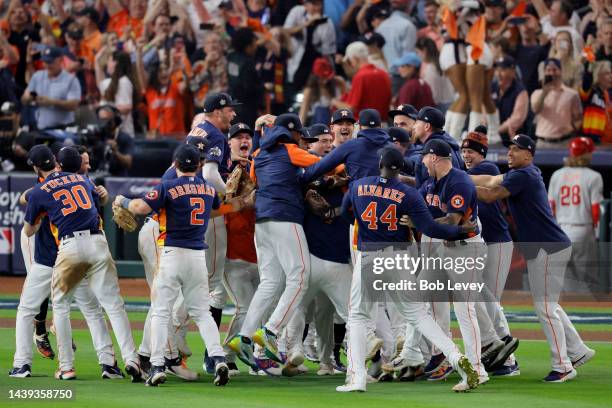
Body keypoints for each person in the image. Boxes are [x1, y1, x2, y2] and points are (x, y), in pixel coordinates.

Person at [336, 146, 479, 393]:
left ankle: (357, 378)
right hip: (399, 257)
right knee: (418, 316)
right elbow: (431, 229)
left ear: (379, 163)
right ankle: (455, 357)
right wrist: (460, 230)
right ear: (400, 169)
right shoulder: (409, 193)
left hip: (369, 256)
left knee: (359, 317)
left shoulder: (358, 185)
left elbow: (346, 215)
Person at [114, 144, 243, 387]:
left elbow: (141, 207)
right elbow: (216, 210)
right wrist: (242, 201)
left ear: (175, 164)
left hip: (172, 254)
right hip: (196, 258)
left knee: (162, 311)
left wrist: (123, 200)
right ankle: (218, 358)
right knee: (202, 313)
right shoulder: (206, 188)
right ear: (199, 165)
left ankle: (158, 366)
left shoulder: (168, 186)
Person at [471, 134, 595, 382]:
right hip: (548, 246)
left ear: (529, 154)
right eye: (509, 148)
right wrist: (457, 176)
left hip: (547, 248)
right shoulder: (523, 173)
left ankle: (563, 366)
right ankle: (578, 350)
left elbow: (489, 194)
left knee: (545, 308)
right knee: (551, 306)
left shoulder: (524, 174)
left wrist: (453, 182)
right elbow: (490, 179)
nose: (510, 153)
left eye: (516, 149)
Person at [22, 145, 143, 381]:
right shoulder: (85, 182)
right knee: (114, 306)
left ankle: (66, 367)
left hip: (70, 248)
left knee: (60, 306)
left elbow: (28, 230)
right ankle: (130, 359)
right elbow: (98, 199)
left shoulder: (40, 189)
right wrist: (105, 196)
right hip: (98, 243)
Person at [227, 113, 329, 368]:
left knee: (271, 282)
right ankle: (271, 332)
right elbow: (321, 163)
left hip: (262, 222)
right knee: (300, 276)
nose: (302, 138)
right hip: (285, 218)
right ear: (292, 133)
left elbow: (255, 178)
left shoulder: (259, 154)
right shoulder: (290, 149)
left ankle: (245, 336)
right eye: (300, 134)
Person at [461, 129, 520, 376]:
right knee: (483, 298)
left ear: (481, 154)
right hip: (484, 244)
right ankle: (499, 353)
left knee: (491, 300)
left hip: (498, 243)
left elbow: (458, 179)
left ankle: (508, 360)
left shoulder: (489, 169)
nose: (466, 155)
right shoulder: (466, 172)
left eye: (471, 151)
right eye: (463, 151)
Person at [548, 137, 603, 291]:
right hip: (583, 230)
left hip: (560, 231)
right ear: (586, 154)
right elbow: (596, 210)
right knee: (586, 282)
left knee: (563, 282)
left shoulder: (557, 175)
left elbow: (550, 208)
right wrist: (598, 234)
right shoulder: (594, 176)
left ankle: (565, 313)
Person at [21, 46, 81, 131]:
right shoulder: (37, 76)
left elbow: (74, 105)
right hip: (41, 128)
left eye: (50, 62)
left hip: (63, 129)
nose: (47, 65)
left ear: (60, 60)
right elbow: (24, 99)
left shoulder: (71, 79)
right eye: (45, 62)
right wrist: (29, 98)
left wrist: (52, 102)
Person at [284, 0, 337, 94]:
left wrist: (327, 75)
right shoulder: (297, 12)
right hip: (296, 63)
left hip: (314, 66)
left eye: (319, 4)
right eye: (313, 4)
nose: (317, 8)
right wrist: (307, 23)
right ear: (306, 5)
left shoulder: (327, 22)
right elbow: (285, 32)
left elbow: (328, 53)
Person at [332, 42, 391, 120]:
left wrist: (334, 102)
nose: (351, 65)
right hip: (382, 125)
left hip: (364, 127)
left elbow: (351, 108)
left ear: (355, 59)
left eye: (349, 61)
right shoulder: (384, 74)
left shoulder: (360, 76)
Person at [531, 58, 583, 144]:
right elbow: (536, 110)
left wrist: (572, 129)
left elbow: (578, 117)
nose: (552, 73)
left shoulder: (572, 94)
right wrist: (544, 93)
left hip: (565, 140)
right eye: (548, 70)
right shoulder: (537, 93)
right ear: (544, 73)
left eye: (555, 70)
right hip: (543, 141)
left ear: (561, 71)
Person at [411, 107, 464, 188]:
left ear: (427, 126)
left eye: (417, 123)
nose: (413, 127)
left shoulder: (432, 151)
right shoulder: (447, 142)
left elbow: (428, 188)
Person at [227, 28, 264, 128]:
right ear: (248, 46)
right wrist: (263, 87)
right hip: (247, 110)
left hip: (232, 105)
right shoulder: (248, 63)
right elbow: (249, 87)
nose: (256, 46)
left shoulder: (231, 57)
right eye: (254, 43)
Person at [97, 50, 139, 137]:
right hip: (113, 134)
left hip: (123, 134)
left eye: (110, 60)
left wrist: (108, 111)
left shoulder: (124, 82)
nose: (107, 63)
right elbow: (100, 84)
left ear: (116, 63)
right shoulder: (110, 82)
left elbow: (127, 107)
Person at [491, 56, 529, 141]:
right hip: (491, 137)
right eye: (497, 70)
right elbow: (485, 111)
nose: (499, 74)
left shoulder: (520, 91)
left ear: (512, 71)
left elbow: (516, 119)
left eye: (503, 70)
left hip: (513, 141)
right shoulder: (492, 88)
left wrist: (495, 131)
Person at [415, 37, 454, 112]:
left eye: (417, 52)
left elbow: (434, 96)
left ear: (424, 51)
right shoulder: (441, 64)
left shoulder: (431, 69)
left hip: (440, 107)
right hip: (449, 103)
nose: (417, 55)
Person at [96, 105, 134, 176]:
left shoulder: (125, 137)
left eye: (107, 120)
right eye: (101, 120)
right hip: (97, 176)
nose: (104, 124)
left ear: (116, 121)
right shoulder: (96, 136)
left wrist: (115, 152)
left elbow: (128, 163)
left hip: (118, 178)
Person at [580, 60, 612, 143]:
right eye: (607, 73)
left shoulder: (606, 93)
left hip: (605, 140)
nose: (611, 76)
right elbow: (586, 83)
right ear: (598, 75)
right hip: (592, 140)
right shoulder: (591, 92)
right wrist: (589, 68)